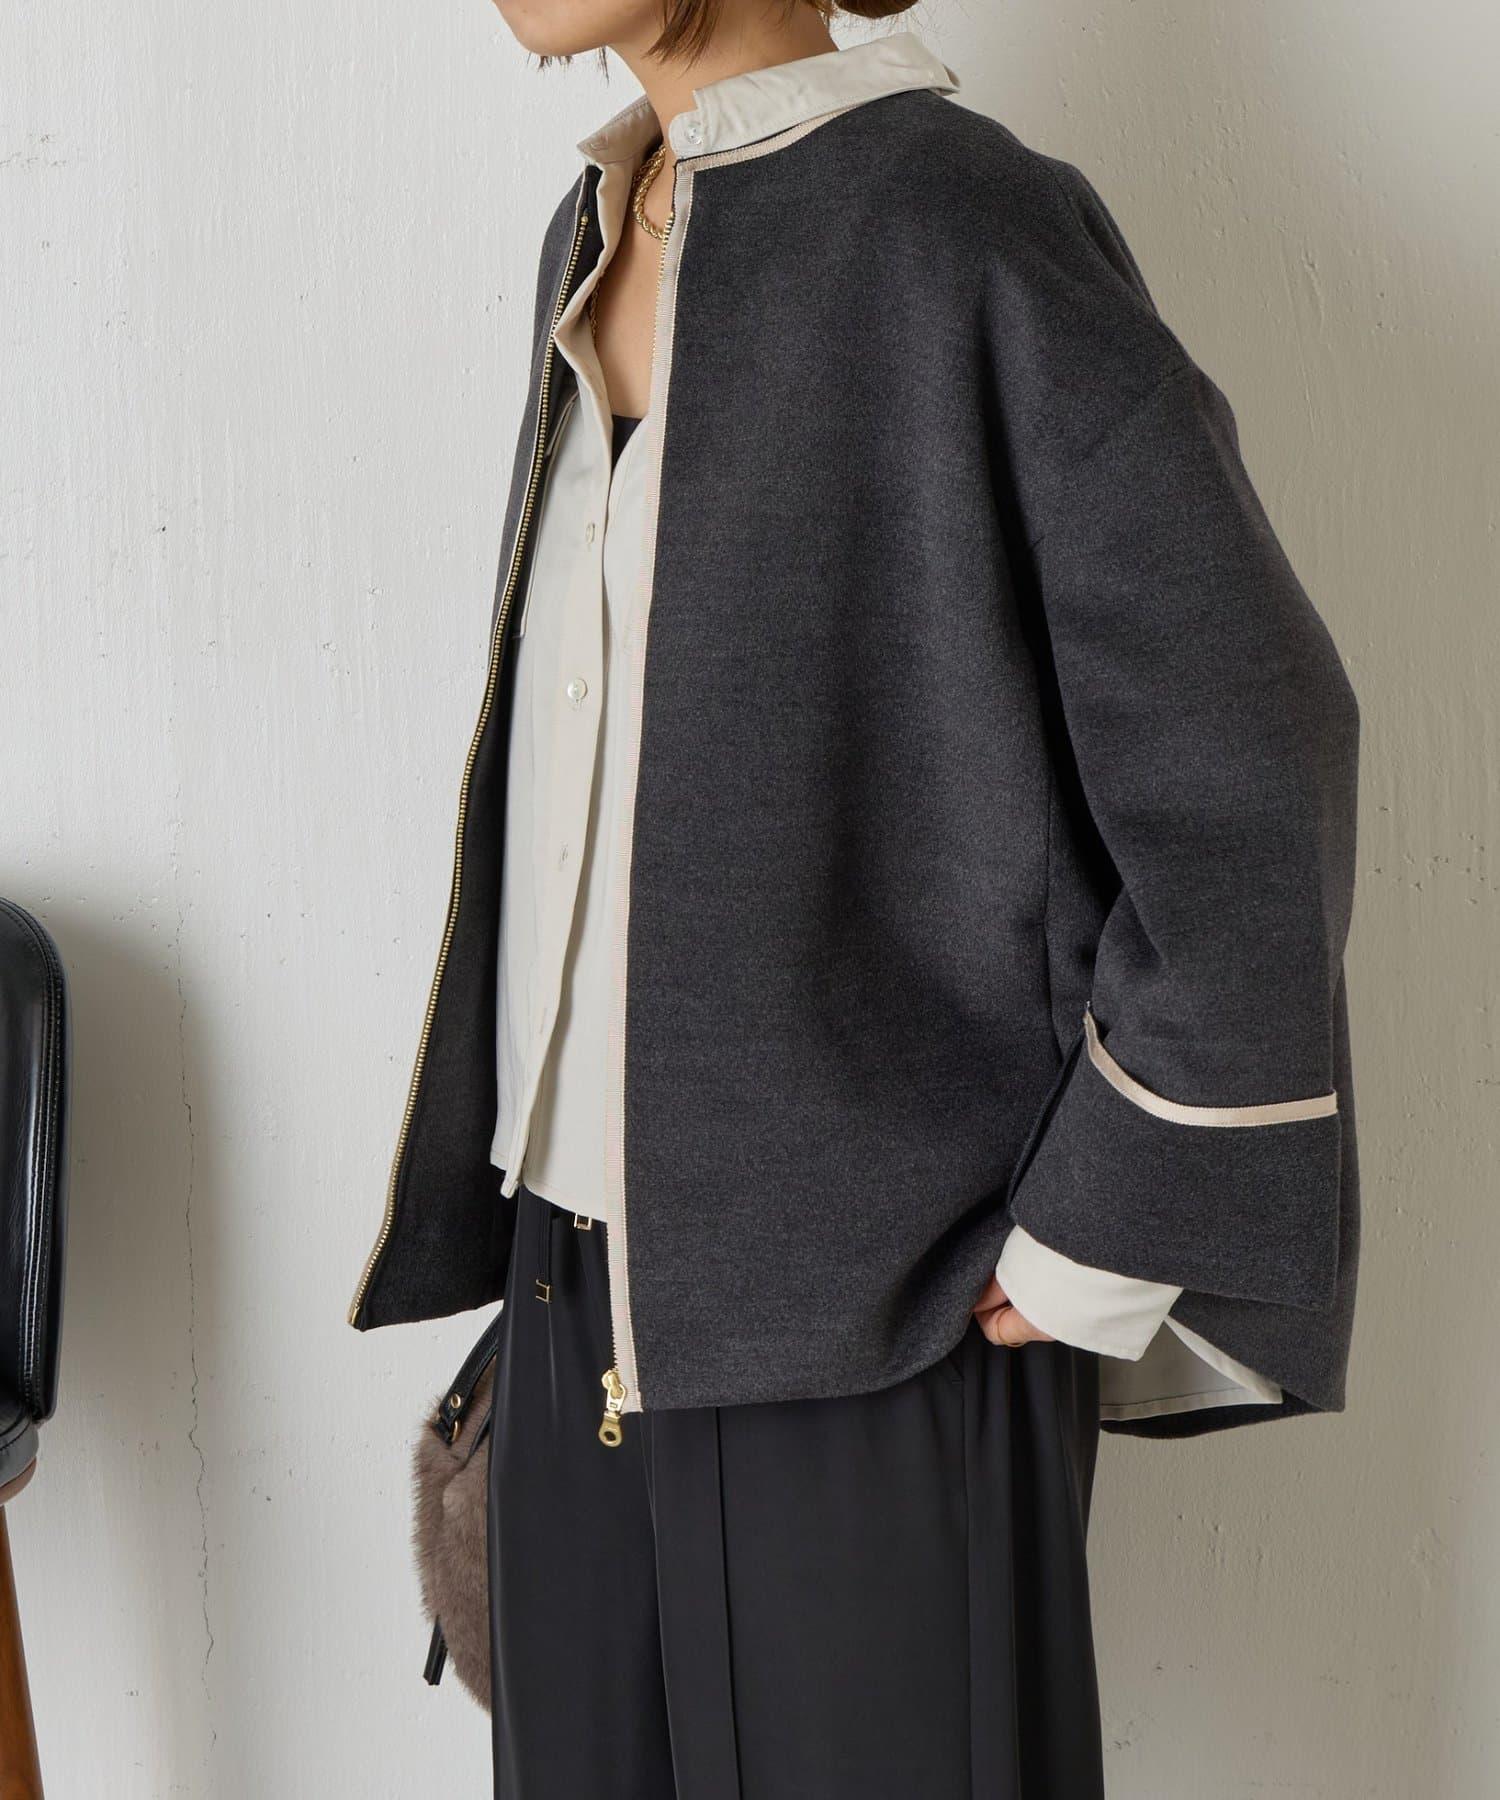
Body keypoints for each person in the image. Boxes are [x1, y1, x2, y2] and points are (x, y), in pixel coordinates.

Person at [348, 3, 1362, 1793]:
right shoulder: (599, 224)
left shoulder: (963, 224)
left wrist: (1108, 1220)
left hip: (887, 1313)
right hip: (575, 1294)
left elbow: (1251, 749)